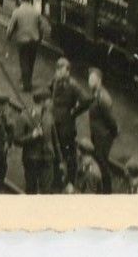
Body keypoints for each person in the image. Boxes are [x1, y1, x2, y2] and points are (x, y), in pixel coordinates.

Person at [49, 58, 91, 188]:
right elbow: (50, 91)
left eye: (61, 70)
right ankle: (57, 179)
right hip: (55, 123)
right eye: (57, 69)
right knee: (56, 152)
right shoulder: (55, 80)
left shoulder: (73, 85)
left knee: (69, 155)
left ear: (68, 71)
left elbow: (86, 100)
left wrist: (74, 112)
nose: (58, 72)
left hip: (66, 126)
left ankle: (71, 180)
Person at [13, 89, 56, 194]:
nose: (51, 102)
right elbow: (16, 140)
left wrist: (58, 157)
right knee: (31, 189)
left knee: (46, 190)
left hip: (48, 158)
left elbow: (54, 138)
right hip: (32, 159)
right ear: (42, 101)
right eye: (49, 100)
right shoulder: (24, 116)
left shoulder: (49, 115)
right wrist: (32, 136)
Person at [6, 0, 49, 92]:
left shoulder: (17, 12)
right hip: (34, 40)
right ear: (30, 0)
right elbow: (42, 27)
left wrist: (8, 37)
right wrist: (40, 38)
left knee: (24, 62)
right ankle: (28, 81)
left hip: (22, 40)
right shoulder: (36, 12)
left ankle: (26, 85)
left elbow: (10, 27)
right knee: (31, 62)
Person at [87, 68, 119, 191]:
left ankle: (107, 190)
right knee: (99, 161)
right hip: (97, 135)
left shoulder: (103, 98)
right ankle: (100, 187)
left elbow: (111, 120)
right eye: (89, 79)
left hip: (103, 137)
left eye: (92, 79)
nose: (89, 81)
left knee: (102, 164)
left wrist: (112, 134)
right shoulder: (96, 93)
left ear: (99, 80)